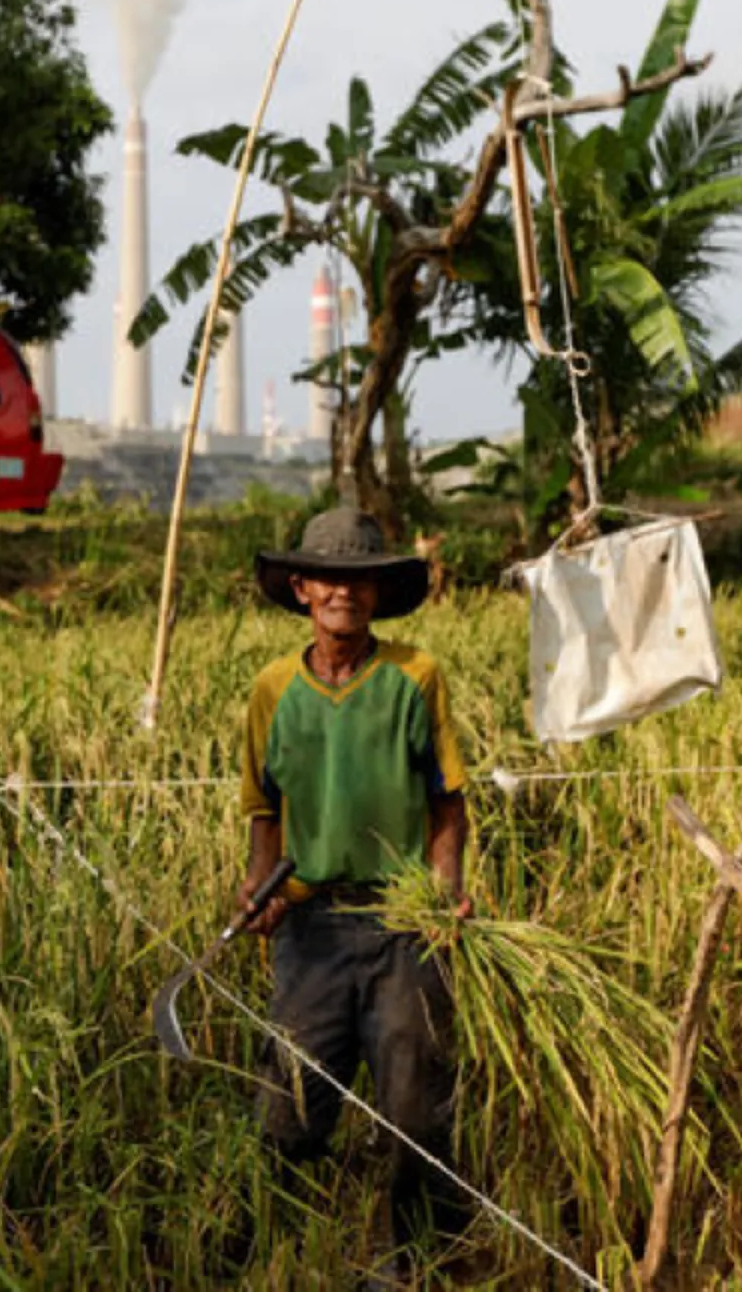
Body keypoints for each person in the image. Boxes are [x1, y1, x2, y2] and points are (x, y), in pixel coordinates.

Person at [238, 506, 472, 1262]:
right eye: (331, 579)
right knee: (293, 1105)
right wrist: (258, 886)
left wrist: (442, 894)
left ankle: (418, 1257)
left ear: (379, 594)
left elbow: (447, 803)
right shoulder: (273, 690)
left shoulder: (415, 677)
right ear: (302, 589)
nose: (347, 593)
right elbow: (263, 809)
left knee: (415, 1103)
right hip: (312, 927)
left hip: (401, 922)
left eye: (362, 580)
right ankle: (279, 1248)